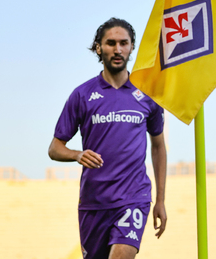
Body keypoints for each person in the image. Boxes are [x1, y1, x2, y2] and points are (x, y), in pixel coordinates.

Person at [48, 18, 167, 259]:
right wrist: (77, 154)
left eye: (124, 43)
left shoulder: (147, 95)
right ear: (98, 48)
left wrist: (161, 200)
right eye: (110, 43)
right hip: (93, 203)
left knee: (121, 254)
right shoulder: (82, 95)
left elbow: (158, 147)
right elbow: (55, 148)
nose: (118, 49)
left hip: (134, 197)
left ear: (132, 47)